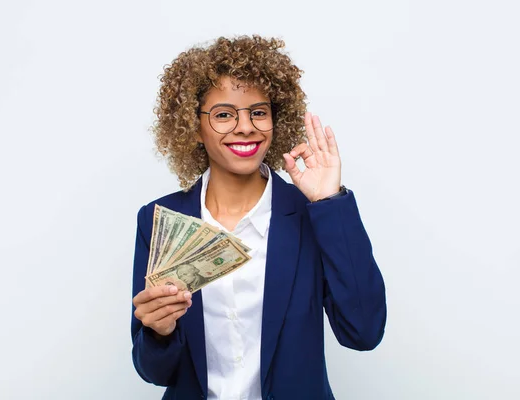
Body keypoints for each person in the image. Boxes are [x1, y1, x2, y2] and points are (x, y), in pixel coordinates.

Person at [131, 35, 387, 400]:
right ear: (193, 126)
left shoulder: (311, 213)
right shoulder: (160, 219)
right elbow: (154, 372)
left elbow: (364, 332)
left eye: (258, 112)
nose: (245, 126)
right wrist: (158, 332)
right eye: (223, 114)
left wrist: (330, 202)